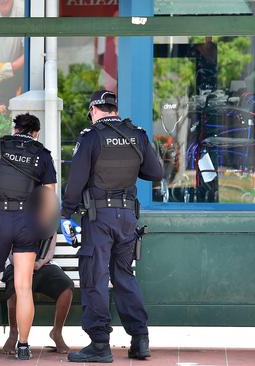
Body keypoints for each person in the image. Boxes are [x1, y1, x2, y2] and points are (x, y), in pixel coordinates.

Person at [60, 90, 163, 363]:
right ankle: (140, 340)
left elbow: (76, 181)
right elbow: (155, 173)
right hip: (128, 218)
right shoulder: (136, 134)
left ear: (94, 110)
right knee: (124, 276)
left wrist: (66, 214)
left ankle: (100, 344)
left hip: (98, 219)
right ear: (114, 108)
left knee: (95, 278)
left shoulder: (91, 136)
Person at [0, 113, 57, 360]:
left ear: (16, 128)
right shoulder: (42, 153)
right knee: (23, 287)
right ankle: (23, 346)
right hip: (26, 221)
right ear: (35, 132)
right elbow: (49, 198)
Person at [0, 235, 74, 355]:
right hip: (17, 265)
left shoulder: (47, 219)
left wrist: (40, 263)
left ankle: (57, 333)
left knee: (66, 286)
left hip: (44, 265)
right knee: (13, 290)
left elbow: (50, 251)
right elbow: (10, 252)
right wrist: (25, 265)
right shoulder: (15, 217)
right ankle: (13, 333)